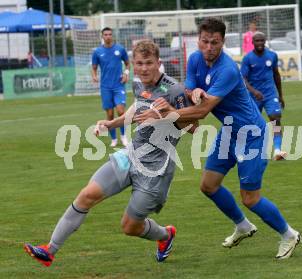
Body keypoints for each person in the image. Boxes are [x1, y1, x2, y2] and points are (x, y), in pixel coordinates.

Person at [135, 17, 301, 260]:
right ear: (199, 40)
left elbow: (202, 111)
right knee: (208, 186)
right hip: (229, 132)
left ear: (222, 42)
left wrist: (167, 113)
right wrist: (196, 91)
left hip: (251, 134)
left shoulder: (228, 70)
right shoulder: (194, 59)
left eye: (214, 43)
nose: (209, 47)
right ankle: (243, 226)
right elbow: (190, 88)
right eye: (204, 42)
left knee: (250, 198)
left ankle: (289, 234)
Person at [24, 40, 198, 267]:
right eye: (139, 63)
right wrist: (112, 123)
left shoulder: (174, 90)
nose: (143, 68)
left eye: (148, 63)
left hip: (155, 172)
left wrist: (169, 114)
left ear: (158, 63)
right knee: (86, 195)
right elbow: (137, 108)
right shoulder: (138, 83)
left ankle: (166, 235)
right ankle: (49, 250)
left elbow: (195, 127)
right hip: (130, 156)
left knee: (129, 227)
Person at [241, 31, 287, 160]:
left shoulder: (272, 56)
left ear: (265, 41)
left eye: (262, 40)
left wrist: (281, 96)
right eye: (257, 41)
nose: (260, 43)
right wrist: (254, 91)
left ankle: (277, 150)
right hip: (254, 96)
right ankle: (251, 151)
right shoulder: (248, 58)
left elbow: (276, 75)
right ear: (253, 42)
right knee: (253, 124)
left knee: (275, 118)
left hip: (270, 93)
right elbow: (243, 78)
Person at [92, 27, 130, 147]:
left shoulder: (120, 49)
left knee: (121, 111)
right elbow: (93, 68)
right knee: (109, 115)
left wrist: (126, 73)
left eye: (110, 34)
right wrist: (94, 76)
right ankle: (114, 139)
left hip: (118, 85)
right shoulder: (97, 52)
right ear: (102, 37)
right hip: (105, 87)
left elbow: (128, 64)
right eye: (106, 34)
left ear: (112, 36)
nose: (108, 36)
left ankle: (124, 137)